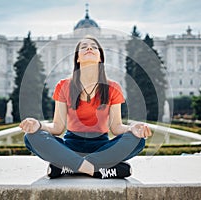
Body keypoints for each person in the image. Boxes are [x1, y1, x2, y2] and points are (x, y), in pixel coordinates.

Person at [20, 36, 152, 179]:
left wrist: (131, 128)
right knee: (30, 137)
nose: (89, 48)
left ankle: (69, 167)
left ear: (100, 57)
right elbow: (57, 127)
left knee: (138, 140)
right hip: (71, 146)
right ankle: (96, 169)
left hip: (102, 147)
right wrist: (38, 125)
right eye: (84, 47)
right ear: (77, 58)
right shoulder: (63, 86)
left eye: (94, 47)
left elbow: (116, 127)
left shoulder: (113, 87)